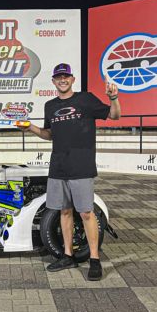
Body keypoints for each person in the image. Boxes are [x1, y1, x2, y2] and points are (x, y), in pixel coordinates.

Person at [20, 63, 120, 280]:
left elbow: (114, 116)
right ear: (54, 81)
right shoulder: (49, 106)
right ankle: (68, 255)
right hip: (58, 167)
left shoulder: (86, 99)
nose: (62, 80)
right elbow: (50, 135)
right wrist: (31, 128)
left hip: (81, 167)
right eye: (58, 77)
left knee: (85, 213)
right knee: (64, 211)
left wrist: (113, 98)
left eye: (66, 76)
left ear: (73, 79)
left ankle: (94, 259)